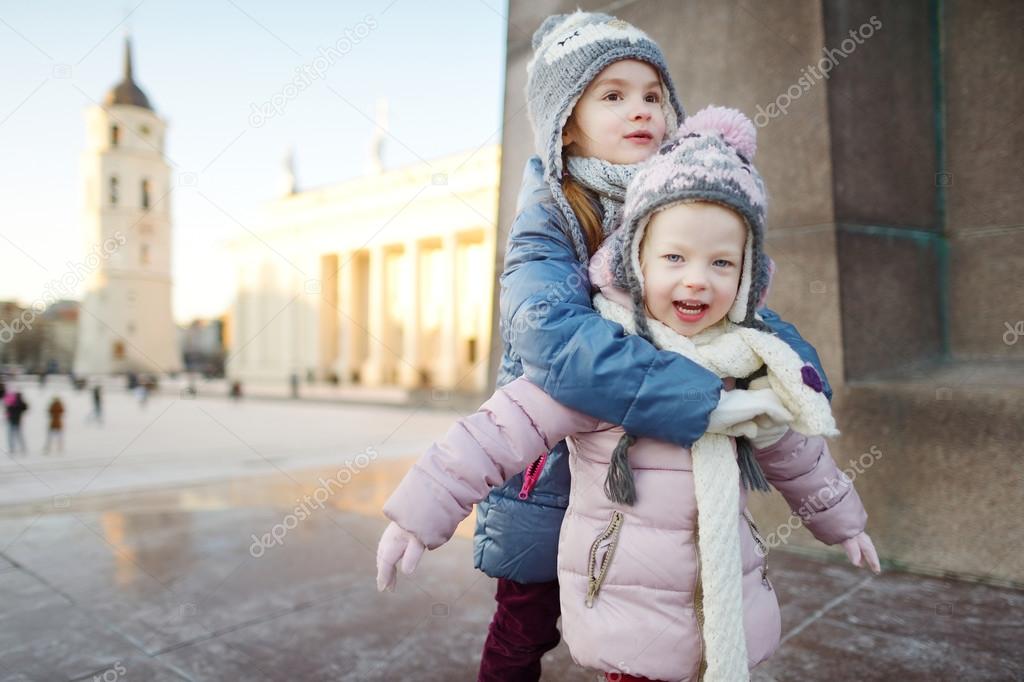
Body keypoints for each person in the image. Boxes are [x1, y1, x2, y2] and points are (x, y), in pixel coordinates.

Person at [400, 11, 834, 681]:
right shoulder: (551, 213)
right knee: (525, 619)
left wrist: (796, 374)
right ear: (566, 121)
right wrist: (692, 395)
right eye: (613, 94)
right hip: (547, 458)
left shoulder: (691, 196)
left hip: (648, 466)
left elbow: (743, 302)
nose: (641, 110)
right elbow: (550, 334)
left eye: (653, 94)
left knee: (657, 622)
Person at [5, 391, 29, 455]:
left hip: (15, 422)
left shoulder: (18, 404)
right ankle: (14, 448)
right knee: (14, 436)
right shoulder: (15, 403)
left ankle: (21, 448)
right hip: (13, 421)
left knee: (16, 436)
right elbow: (8, 410)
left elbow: (25, 407)